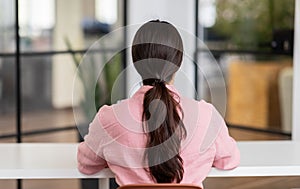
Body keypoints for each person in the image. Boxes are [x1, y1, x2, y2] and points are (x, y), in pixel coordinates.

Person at [77, 20, 240, 188]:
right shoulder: (206, 116)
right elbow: (229, 159)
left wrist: (115, 155)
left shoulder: (109, 118)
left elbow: (86, 164)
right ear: (178, 62)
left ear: (136, 61)